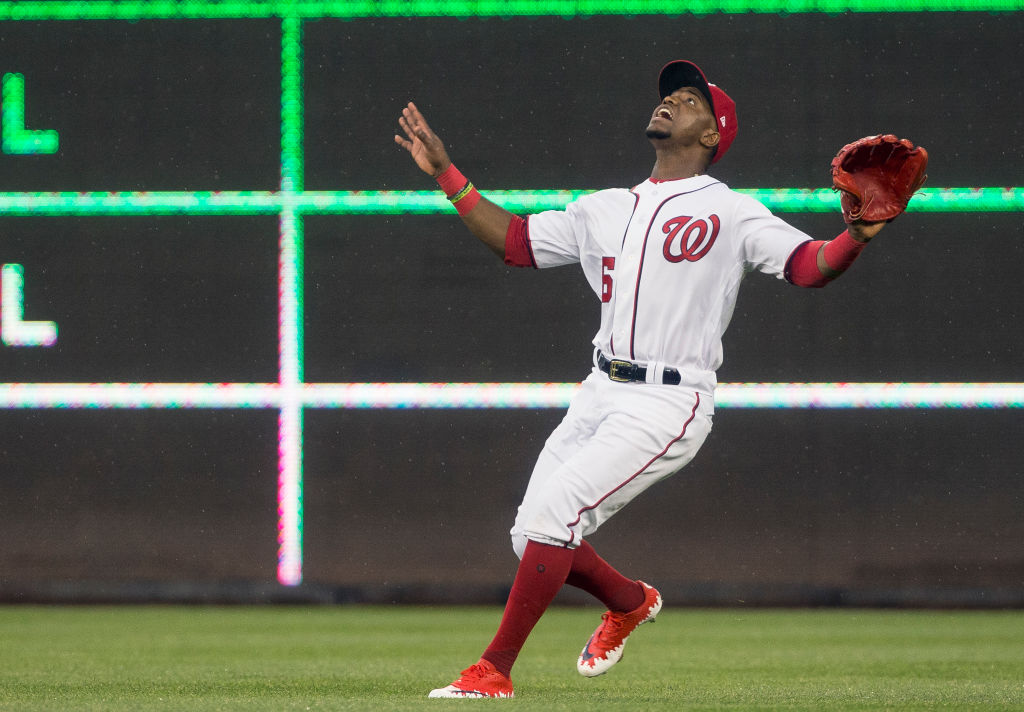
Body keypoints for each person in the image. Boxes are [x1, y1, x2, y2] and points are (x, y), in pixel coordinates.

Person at [394, 60, 885, 699]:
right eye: (671, 95)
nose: (672, 102)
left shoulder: (731, 211)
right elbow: (515, 242)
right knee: (530, 537)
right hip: (600, 389)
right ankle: (628, 602)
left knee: (553, 514)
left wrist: (856, 237)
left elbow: (808, 266)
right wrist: (446, 175)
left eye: (690, 101)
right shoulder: (603, 208)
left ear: (712, 136)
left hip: (668, 398)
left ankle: (494, 671)